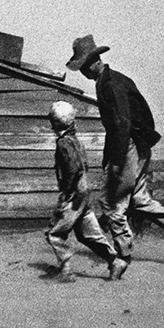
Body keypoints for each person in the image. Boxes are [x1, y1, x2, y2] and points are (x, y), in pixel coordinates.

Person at [65, 35, 164, 276]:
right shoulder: (108, 81)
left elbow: (121, 124)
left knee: (111, 203)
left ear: (94, 62)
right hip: (134, 145)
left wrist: (116, 162)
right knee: (139, 201)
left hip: (129, 146)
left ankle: (122, 256)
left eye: (83, 66)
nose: (82, 72)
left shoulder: (111, 85)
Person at [43, 100, 119, 282]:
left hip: (75, 193)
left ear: (55, 123)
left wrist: (67, 193)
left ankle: (66, 270)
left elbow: (73, 169)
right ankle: (115, 261)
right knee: (88, 233)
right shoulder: (76, 141)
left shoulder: (63, 143)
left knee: (54, 233)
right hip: (84, 192)